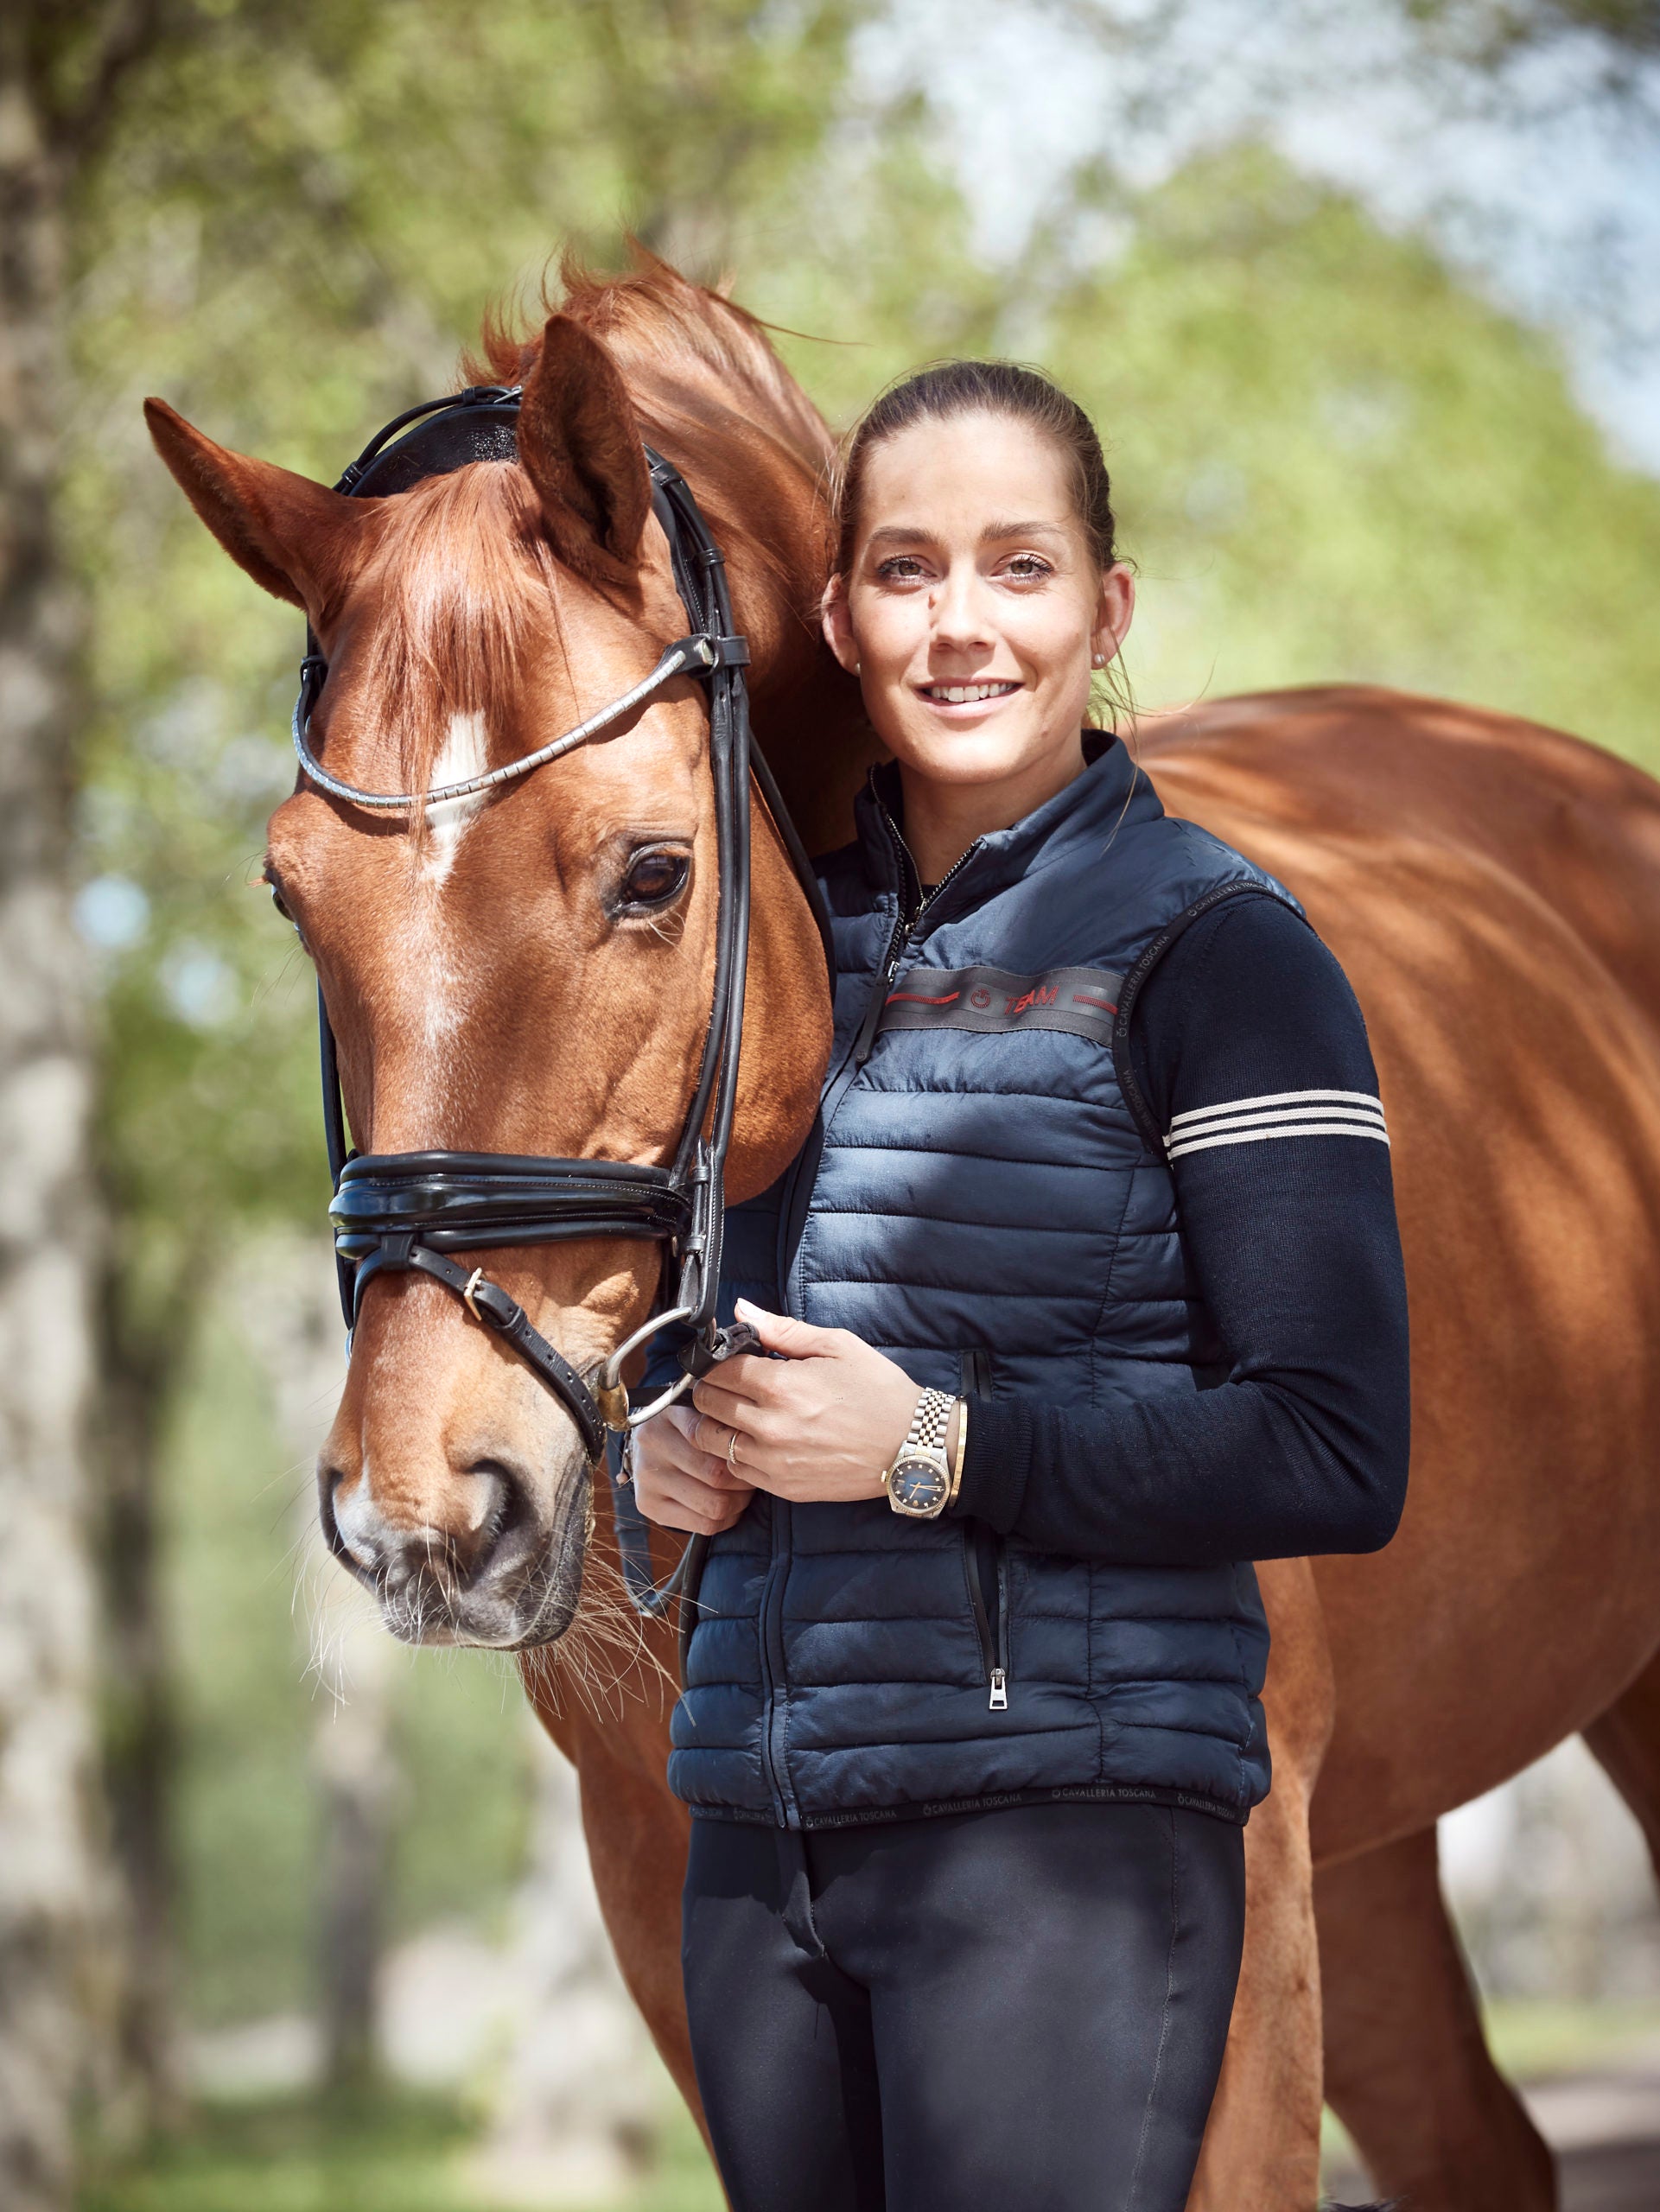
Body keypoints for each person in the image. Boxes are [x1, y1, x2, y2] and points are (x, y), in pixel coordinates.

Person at [627, 359, 1410, 2212]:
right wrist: (663, 1466)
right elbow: (708, 1355)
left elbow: (1331, 1448)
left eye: (1017, 565)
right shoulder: (753, 967)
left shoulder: (1221, 950)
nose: (958, 621)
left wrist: (924, 1447)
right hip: (759, 1834)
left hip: (1064, 1843)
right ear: (836, 618)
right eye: (904, 570)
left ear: (1103, 608)